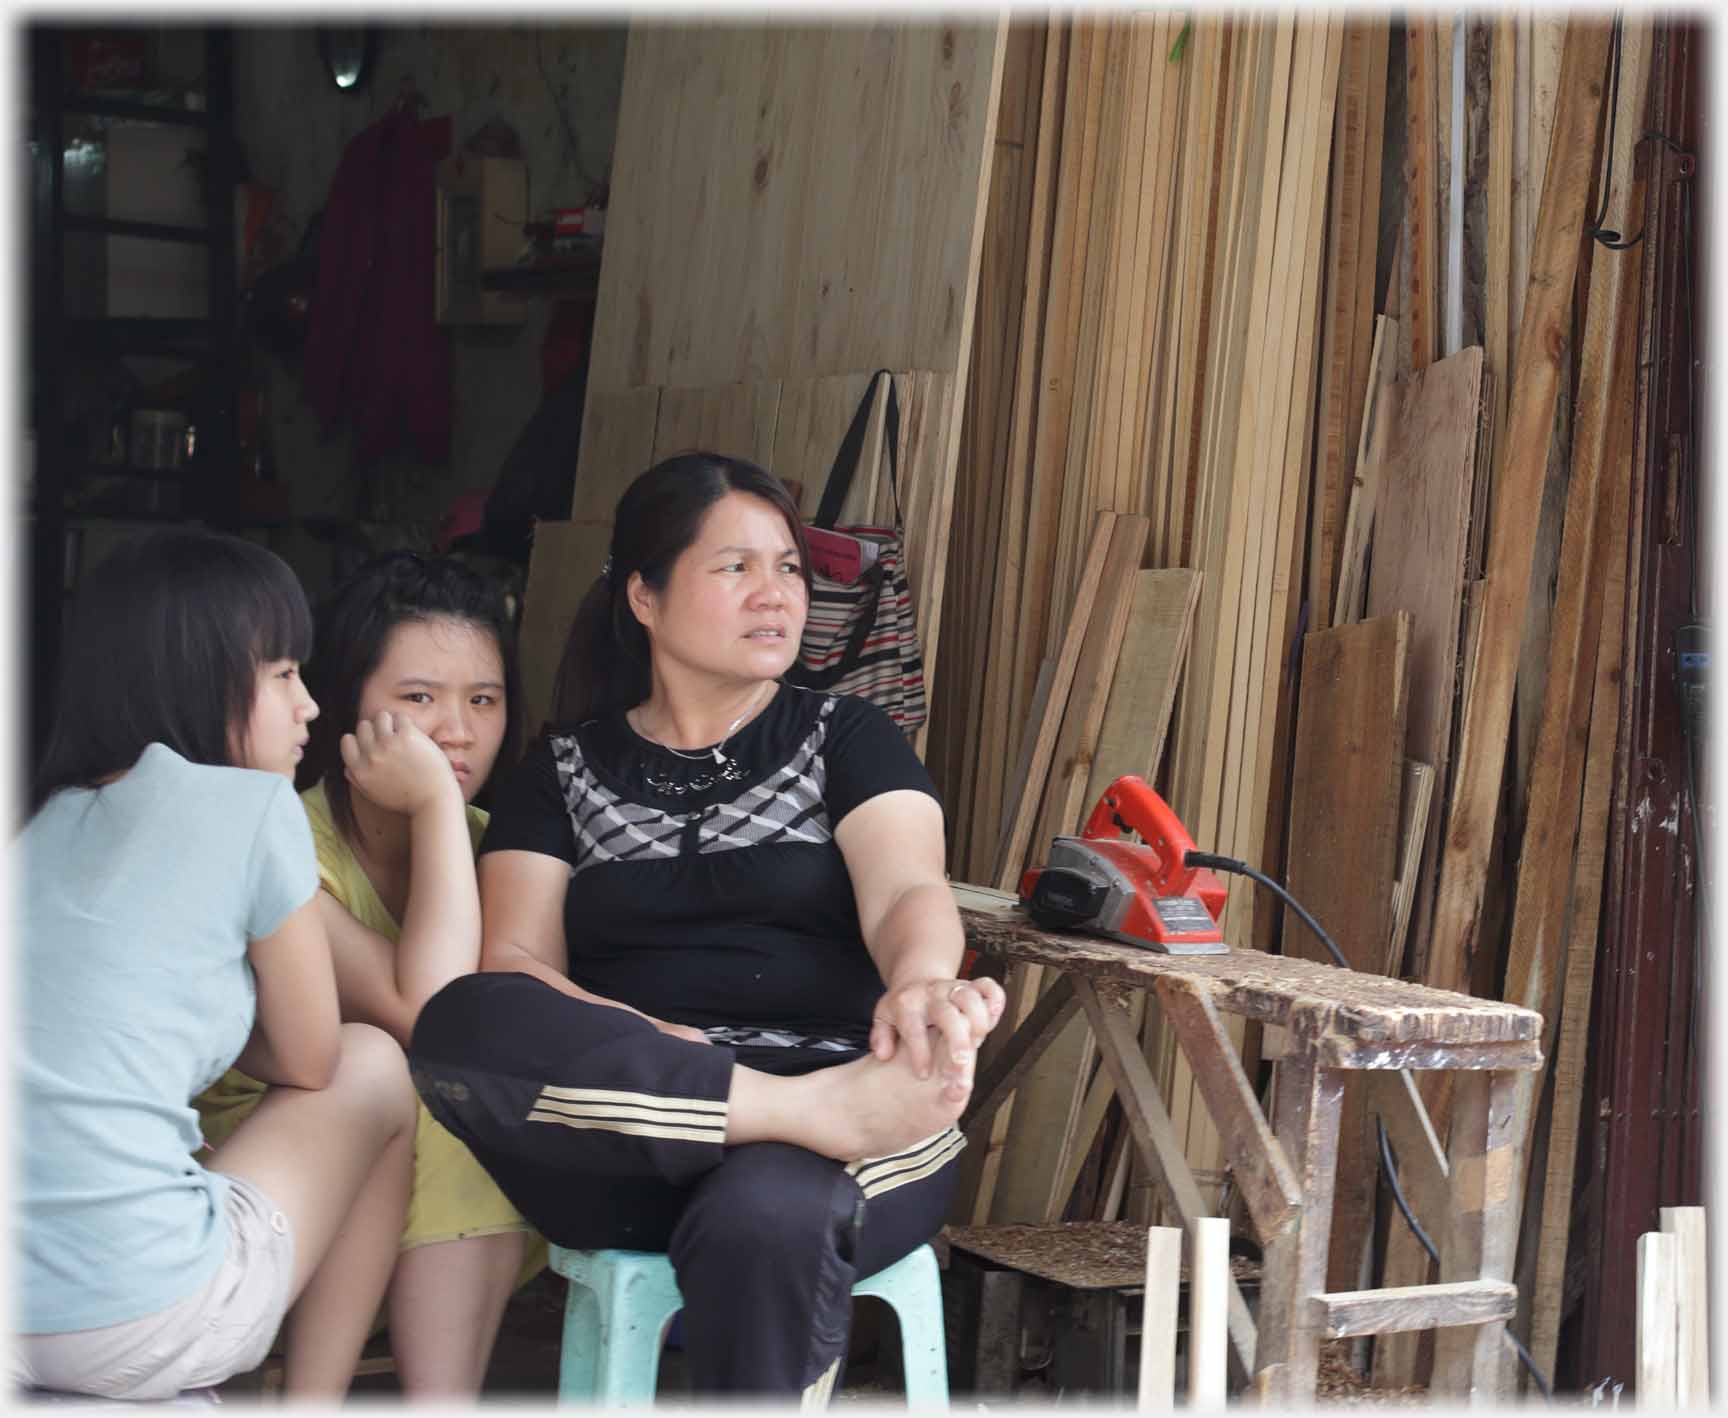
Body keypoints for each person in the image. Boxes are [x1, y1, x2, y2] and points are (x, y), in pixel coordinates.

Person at [406, 452, 1008, 1401]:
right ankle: (798, 1115)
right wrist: (659, 1050)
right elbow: (519, 963)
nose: (774, 596)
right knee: (462, 1018)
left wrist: (922, 978)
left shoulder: (846, 737)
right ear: (643, 597)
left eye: (789, 570)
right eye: (735, 568)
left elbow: (906, 894)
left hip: (850, 1103)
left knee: (771, 1212)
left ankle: (808, 1117)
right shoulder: (558, 773)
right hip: (642, 1124)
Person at [12, 529, 418, 1401]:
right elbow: (312, 1060)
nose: (311, 705)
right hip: (139, 1315)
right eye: (282, 676)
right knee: (377, 1066)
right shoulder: (253, 807)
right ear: (195, 681)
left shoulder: (39, 833)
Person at [195, 552, 544, 1397]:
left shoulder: (506, 848)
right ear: (344, 701)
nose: (456, 731)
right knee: (441, 1096)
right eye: (418, 699)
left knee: (477, 1108)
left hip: (414, 1157)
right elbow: (428, 1011)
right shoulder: (281, 836)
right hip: (272, 1147)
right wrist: (433, 807)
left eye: (483, 701)